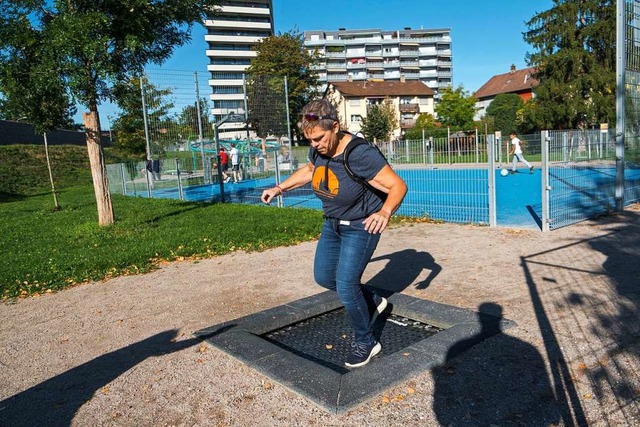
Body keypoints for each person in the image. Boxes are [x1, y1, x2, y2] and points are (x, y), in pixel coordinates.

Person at [260, 99, 407, 368]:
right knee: (324, 276)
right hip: (333, 224)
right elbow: (309, 169)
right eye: (310, 140)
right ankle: (373, 301)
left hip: (361, 226)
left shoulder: (359, 154)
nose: (315, 145)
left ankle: (366, 341)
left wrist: (384, 212)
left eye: (319, 138)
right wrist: (280, 188)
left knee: (347, 285)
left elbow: (398, 185)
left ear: (335, 127)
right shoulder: (318, 150)